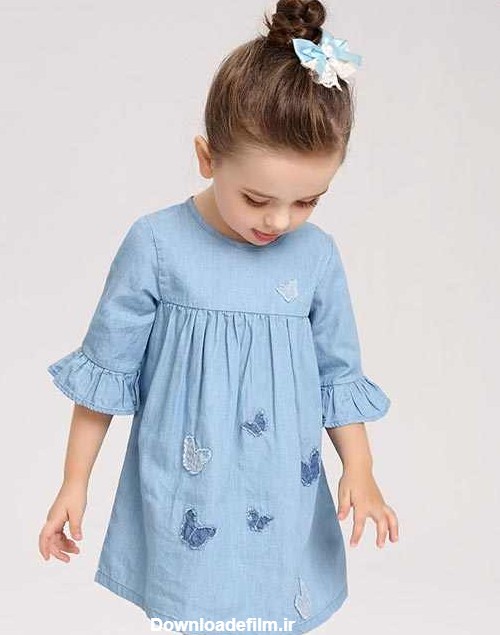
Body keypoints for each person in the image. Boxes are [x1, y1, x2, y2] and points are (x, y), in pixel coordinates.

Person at [39, 1, 399, 633]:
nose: (279, 221)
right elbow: (105, 373)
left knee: (275, 611)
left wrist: (361, 471)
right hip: (190, 490)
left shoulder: (315, 256)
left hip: (282, 491)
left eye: (307, 201)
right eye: (257, 198)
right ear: (207, 158)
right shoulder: (157, 245)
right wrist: (74, 481)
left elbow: (338, 377)